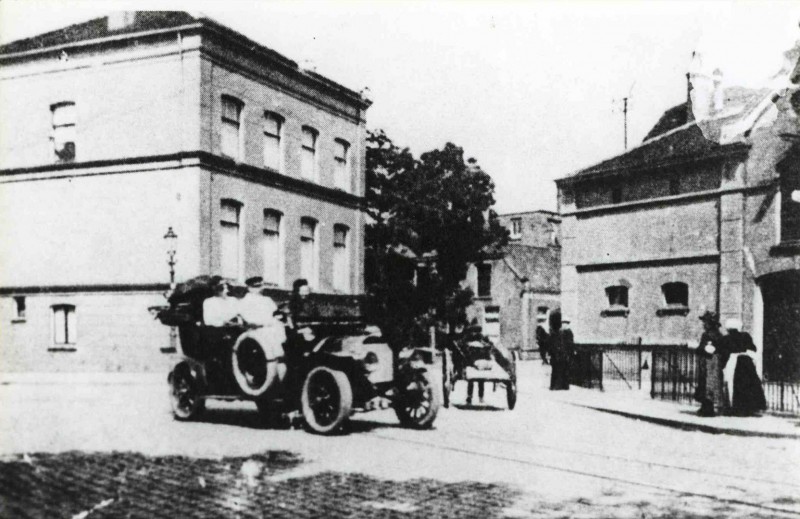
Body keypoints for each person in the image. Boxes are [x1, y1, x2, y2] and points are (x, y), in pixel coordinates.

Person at [719, 319, 767, 416]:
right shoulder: (745, 336)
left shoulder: (726, 338)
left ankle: (735, 407)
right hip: (745, 362)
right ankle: (750, 407)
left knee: (732, 383)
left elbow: (723, 353)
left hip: (732, 361)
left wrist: (722, 364)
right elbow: (753, 348)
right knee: (749, 383)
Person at [238, 276, 286, 358]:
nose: (260, 289)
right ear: (249, 288)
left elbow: (275, 313)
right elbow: (248, 318)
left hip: (274, 326)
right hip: (258, 328)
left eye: (260, 286)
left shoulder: (267, 300)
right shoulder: (244, 301)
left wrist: (278, 317)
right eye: (256, 287)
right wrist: (263, 323)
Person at [693, 310, 724, 417]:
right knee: (712, 383)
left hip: (707, 362)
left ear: (709, 323)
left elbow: (701, 348)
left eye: (705, 322)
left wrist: (697, 349)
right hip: (715, 363)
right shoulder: (719, 335)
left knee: (705, 382)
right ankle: (709, 406)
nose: (703, 325)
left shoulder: (706, 335)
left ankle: (707, 408)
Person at [549, 310, 572, 390]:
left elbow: (569, 345)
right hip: (559, 355)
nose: (563, 325)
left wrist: (568, 354)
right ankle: (557, 386)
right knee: (558, 370)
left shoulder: (568, 332)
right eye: (563, 323)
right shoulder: (560, 332)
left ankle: (563, 386)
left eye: (565, 323)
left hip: (564, 355)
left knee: (564, 371)